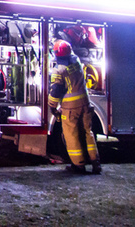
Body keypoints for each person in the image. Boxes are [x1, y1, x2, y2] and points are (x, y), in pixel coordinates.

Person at [48, 39, 101, 174]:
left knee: (72, 136)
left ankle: (79, 165)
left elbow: (56, 91)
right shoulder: (76, 62)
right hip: (85, 104)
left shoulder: (59, 70)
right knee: (88, 133)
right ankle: (95, 163)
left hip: (70, 108)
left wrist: (52, 106)